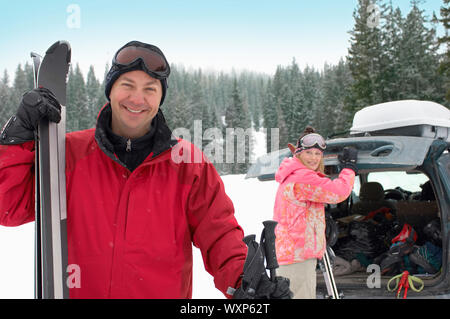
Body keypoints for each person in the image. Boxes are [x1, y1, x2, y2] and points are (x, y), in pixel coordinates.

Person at [0, 40, 290, 299]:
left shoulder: (189, 165)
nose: (137, 99)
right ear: (110, 91)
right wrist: (16, 139)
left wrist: (245, 281)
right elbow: (8, 207)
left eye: (150, 89)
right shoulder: (68, 154)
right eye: (127, 85)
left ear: (159, 99)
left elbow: (220, 236)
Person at [272, 126, 357, 299]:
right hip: (297, 257)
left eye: (318, 154)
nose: (313, 158)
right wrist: (348, 169)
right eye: (309, 153)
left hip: (292, 255)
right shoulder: (302, 177)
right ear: (299, 154)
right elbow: (338, 192)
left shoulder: (293, 174)